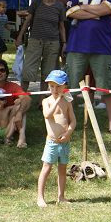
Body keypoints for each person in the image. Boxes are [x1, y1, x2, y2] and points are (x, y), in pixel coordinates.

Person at [64, 0, 111, 135]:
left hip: (101, 45)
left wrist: (84, 7)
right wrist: (96, 13)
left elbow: (107, 9)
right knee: (71, 87)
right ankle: (67, 121)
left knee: (107, 87)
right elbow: (72, 13)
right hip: (76, 45)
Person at [18, 0, 65, 95]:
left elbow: (61, 26)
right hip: (35, 41)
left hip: (53, 43)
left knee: (48, 73)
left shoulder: (59, 6)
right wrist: (20, 36)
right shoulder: (36, 2)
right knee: (28, 71)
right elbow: (28, 20)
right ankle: (20, 97)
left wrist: (64, 43)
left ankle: (42, 100)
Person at [36, 69, 75, 207]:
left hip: (64, 142)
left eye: (58, 86)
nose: (55, 89)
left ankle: (61, 196)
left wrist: (68, 133)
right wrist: (58, 99)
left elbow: (73, 121)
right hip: (51, 142)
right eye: (52, 86)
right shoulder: (46, 101)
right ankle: (40, 197)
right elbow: (47, 115)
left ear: (65, 86)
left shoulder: (67, 102)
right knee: (46, 168)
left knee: (62, 169)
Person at [0, 59, 30, 147]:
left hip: (9, 122)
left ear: (6, 73)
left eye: (2, 70)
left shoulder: (14, 86)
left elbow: (27, 99)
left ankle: (22, 137)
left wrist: (19, 112)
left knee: (21, 104)